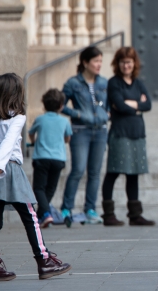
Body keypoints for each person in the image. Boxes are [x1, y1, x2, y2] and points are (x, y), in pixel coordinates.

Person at [0, 73, 71, 282]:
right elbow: (8, 143)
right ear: (17, 94)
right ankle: (44, 260)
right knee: (30, 216)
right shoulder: (18, 118)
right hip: (8, 169)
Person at [102, 47, 155, 226]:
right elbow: (118, 105)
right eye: (123, 62)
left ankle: (135, 215)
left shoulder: (138, 83)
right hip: (120, 132)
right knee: (114, 172)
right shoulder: (114, 83)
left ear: (134, 64)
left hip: (137, 133)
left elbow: (149, 104)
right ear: (118, 64)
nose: (126, 65)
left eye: (129, 62)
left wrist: (130, 103)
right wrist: (137, 104)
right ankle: (108, 214)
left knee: (134, 174)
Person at [59, 46, 110, 227]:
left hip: (101, 131)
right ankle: (66, 208)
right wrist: (78, 114)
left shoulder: (104, 82)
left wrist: (106, 115)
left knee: (95, 173)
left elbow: (108, 104)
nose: (99, 65)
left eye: (100, 61)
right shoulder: (73, 83)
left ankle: (90, 209)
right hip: (80, 130)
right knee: (78, 169)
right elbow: (60, 105)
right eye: (96, 61)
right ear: (85, 63)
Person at [28, 89, 72, 228]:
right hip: (58, 159)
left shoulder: (40, 119)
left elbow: (31, 133)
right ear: (61, 105)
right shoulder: (64, 121)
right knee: (51, 188)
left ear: (44, 105)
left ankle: (45, 214)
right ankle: (42, 215)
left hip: (42, 157)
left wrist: (34, 142)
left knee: (39, 188)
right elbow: (67, 138)